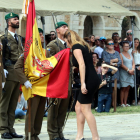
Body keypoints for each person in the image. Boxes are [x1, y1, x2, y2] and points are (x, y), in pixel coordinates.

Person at [64, 30, 100, 140]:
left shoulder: (76, 47)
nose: (66, 43)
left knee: (85, 109)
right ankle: (79, 136)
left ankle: (96, 137)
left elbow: (82, 65)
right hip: (92, 78)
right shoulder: (84, 45)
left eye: (66, 41)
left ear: (68, 39)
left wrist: (83, 83)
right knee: (78, 107)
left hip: (88, 80)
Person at [0, 12, 23, 139]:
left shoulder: (19, 38)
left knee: (13, 103)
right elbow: (1, 55)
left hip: (17, 72)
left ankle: (11, 128)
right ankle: (3, 129)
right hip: (8, 71)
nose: (17, 21)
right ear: (9, 22)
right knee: (5, 102)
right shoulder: (3, 37)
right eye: (15, 19)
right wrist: (2, 70)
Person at [47, 21, 71, 140]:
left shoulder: (69, 44)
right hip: (57, 81)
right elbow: (49, 63)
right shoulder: (53, 45)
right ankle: (53, 134)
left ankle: (59, 131)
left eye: (67, 26)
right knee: (54, 107)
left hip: (68, 80)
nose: (66, 28)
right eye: (63, 27)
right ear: (57, 30)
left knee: (63, 109)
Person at [102, 39, 122, 106]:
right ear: (106, 45)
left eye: (112, 43)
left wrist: (113, 62)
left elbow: (119, 62)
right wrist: (114, 60)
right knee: (108, 88)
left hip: (116, 72)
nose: (111, 45)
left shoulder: (116, 52)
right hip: (108, 72)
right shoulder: (104, 52)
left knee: (114, 88)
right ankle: (108, 103)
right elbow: (106, 61)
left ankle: (114, 103)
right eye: (109, 44)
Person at [120, 41, 135, 107]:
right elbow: (121, 64)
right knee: (123, 88)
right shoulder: (121, 54)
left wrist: (132, 69)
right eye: (125, 46)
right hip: (124, 73)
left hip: (131, 73)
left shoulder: (130, 54)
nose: (127, 47)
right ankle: (122, 103)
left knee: (128, 88)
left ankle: (125, 102)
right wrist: (128, 70)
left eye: (128, 46)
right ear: (122, 47)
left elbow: (133, 63)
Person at [132, 38, 140, 105]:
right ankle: (134, 99)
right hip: (135, 67)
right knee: (135, 85)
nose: (136, 43)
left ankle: (139, 100)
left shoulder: (139, 51)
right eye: (135, 42)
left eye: (137, 42)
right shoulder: (131, 50)